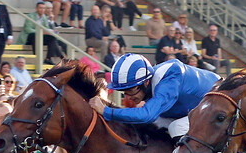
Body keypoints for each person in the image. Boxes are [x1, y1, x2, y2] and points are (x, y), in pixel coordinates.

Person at [90, 53, 219, 142]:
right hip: (193, 109)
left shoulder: (169, 79)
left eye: (130, 90)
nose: (128, 96)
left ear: (146, 83)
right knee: (152, 126)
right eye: (124, 92)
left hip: (217, 107)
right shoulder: (150, 79)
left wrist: (106, 111)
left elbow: (147, 114)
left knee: (176, 127)